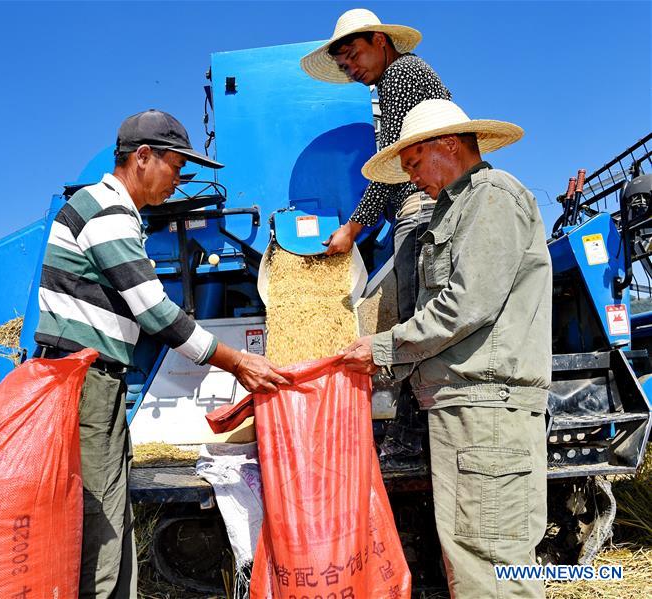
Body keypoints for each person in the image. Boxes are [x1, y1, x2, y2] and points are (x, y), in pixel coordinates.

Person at [33, 109, 288, 598]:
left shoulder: (116, 213)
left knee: (111, 509)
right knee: (99, 524)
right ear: (143, 157)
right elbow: (155, 312)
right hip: (84, 384)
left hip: (95, 383)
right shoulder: (107, 212)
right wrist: (240, 362)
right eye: (176, 166)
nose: (179, 180)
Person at [342, 99, 551, 598]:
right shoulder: (457, 207)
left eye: (414, 164)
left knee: (489, 565)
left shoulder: (492, 198)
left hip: (486, 410)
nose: (412, 179)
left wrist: (383, 347)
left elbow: (464, 305)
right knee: (473, 557)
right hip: (468, 410)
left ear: (449, 145)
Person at [301, 8, 452, 464]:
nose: (351, 67)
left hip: (422, 208)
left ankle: (414, 434)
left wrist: (352, 227)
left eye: (354, 54)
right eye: (343, 64)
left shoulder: (401, 74)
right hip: (420, 205)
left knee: (416, 318)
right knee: (418, 314)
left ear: (381, 42)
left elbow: (393, 167)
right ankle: (418, 429)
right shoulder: (394, 83)